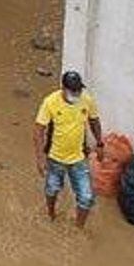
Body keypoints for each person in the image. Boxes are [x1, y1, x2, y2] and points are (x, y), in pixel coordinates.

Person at [35, 70, 105, 227]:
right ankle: (51, 214)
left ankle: (79, 228)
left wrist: (100, 143)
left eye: (78, 90)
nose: (76, 93)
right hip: (55, 157)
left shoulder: (86, 100)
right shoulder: (50, 102)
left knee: (86, 198)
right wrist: (40, 158)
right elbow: (39, 130)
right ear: (63, 88)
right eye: (73, 90)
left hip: (79, 158)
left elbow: (94, 121)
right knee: (52, 190)